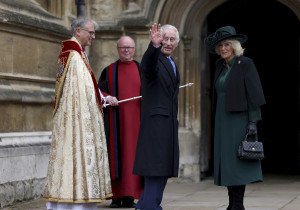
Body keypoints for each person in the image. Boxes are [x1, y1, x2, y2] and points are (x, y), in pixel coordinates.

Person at [43, 18, 113, 210]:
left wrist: (102, 98)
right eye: (91, 32)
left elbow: (88, 86)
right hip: (75, 121)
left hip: (82, 118)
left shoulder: (79, 54)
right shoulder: (71, 54)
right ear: (78, 30)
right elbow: (74, 92)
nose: (93, 36)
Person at [205, 26, 266, 210]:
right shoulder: (220, 66)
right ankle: (232, 204)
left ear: (234, 46)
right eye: (221, 45)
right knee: (228, 164)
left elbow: (254, 95)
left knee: (238, 164)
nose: (223, 48)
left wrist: (253, 122)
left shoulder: (245, 63)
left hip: (239, 121)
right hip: (223, 120)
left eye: (227, 45)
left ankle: (238, 205)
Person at [133, 23, 180, 210]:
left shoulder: (172, 62)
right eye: (165, 39)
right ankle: (151, 207)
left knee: (162, 171)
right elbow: (147, 66)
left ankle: (146, 206)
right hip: (156, 125)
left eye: (171, 39)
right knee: (155, 169)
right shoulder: (155, 59)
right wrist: (153, 46)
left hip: (168, 124)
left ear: (176, 42)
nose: (167, 43)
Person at [98, 35, 143, 208]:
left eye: (129, 47)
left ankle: (130, 196)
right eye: (123, 47)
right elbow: (99, 92)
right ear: (117, 49)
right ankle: (116, 196)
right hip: (115, 124)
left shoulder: (142, 70)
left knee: (133, 158)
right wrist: (108, 97)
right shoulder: (109, 71)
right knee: (116, 157)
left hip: (137, 124)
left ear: (134, 49)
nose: (126, 50)